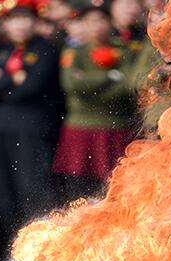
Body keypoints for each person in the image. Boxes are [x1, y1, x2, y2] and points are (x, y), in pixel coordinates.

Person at [0, 5, 63, 261]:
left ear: (34, 23)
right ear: (6, 25)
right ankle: (12, 252)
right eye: (14, 21)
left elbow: (32, 86)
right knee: (4, 191)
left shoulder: (46, 49)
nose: (19, 26)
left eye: (24, 20)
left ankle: (42, 255)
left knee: (33, 189)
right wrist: (12, 79)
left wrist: (3, 81)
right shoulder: (2, 51)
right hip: (0, 128)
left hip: (32, 127)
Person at [53, 5, 138, 200]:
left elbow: (127, 86)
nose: (97, 26)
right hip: (80, 128)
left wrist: (91, 83)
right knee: (77, 189)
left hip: (115, 126)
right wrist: (110, 76)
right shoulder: (74, 52)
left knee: (112, 187)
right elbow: (73, 85)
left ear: (110, 22)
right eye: (90, 21)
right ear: (82, 25)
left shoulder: (123, 50)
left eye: (101, 20)